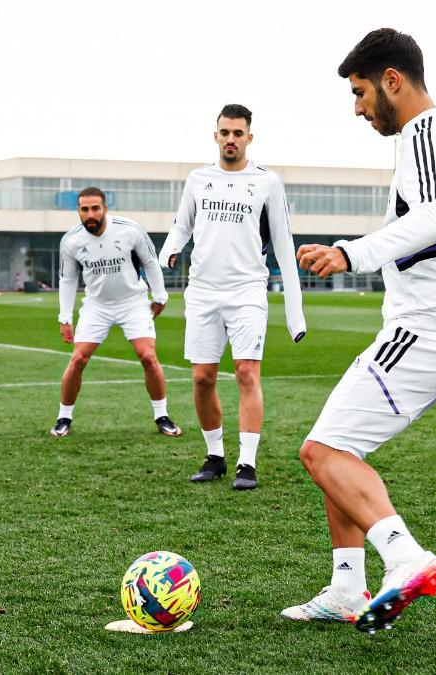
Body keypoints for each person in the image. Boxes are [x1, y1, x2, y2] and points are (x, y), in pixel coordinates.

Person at [288, 28, 436, 631]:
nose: (359, 107)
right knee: (337, 442)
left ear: (392, 80)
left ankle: (405, 558)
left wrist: (351, 253)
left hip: (425, 330)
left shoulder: (424, 134)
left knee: (323, 452)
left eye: (361, 92)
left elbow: (428, 218)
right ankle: (347, 588)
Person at [158, 104, 306, 491]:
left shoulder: (267, 182)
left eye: (238, 133)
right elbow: (181, 225)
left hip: (247, 292)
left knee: (245, 372)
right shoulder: (197, 179)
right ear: (216, 136)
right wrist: (169, 250)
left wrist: (296, 314)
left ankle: (247, 463)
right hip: (203, 291)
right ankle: (215, 457)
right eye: (224, 132)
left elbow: (283, 243)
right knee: (202, 377)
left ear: (249, 138)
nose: (230, 139)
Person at [51, 186, 180, 438]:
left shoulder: (130, 230)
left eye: (95, 208)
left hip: (133, 302)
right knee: (78, 359)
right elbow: (67, 280)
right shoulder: (71, 241)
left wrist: (160, 295)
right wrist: (65, 318)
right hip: (96, 306)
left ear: (105, 208)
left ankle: (162, 416)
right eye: (84, 209)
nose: (90, 214)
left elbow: (151, 264)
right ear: (78, 211)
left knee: (148, 357)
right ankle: (63, 417)